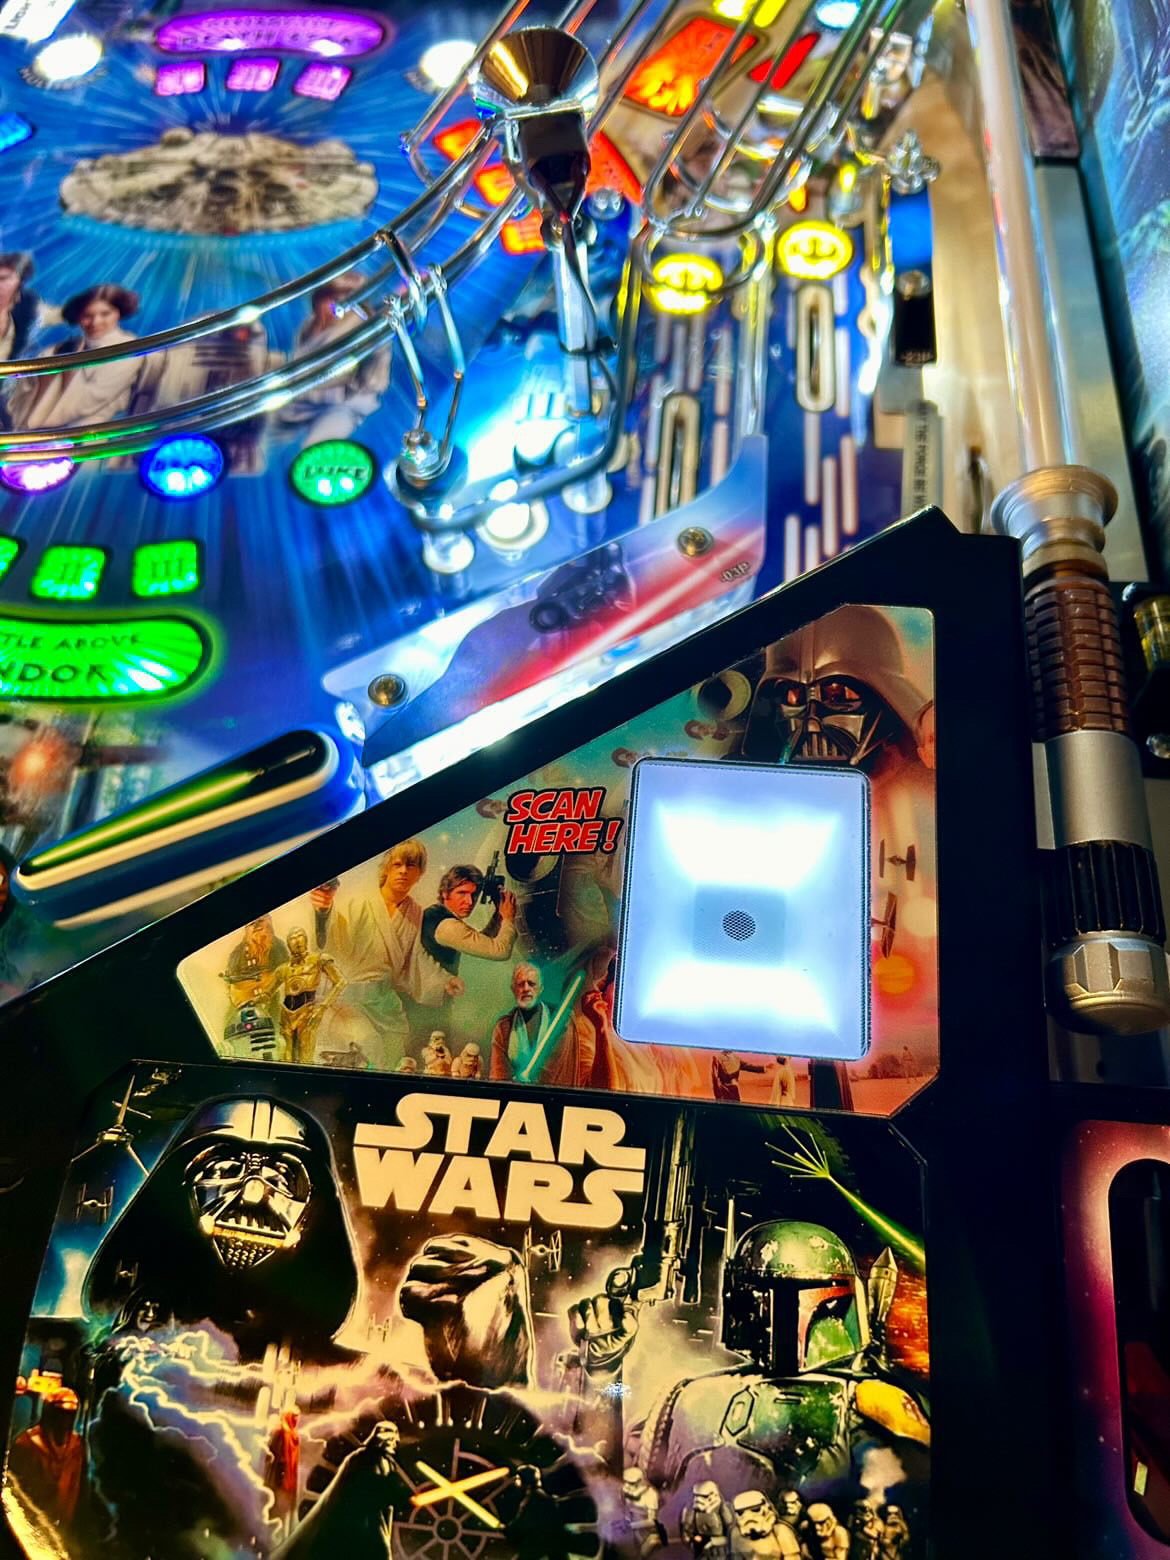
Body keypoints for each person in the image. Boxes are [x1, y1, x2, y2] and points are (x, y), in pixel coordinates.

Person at [311, 840, 453, 1071]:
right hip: (348, 1001)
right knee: (369, 1045)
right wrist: (324, 912)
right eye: (397, 864)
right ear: (386, 868)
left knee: (396, 1056)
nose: (403, 871)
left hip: (385, 1004)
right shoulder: (359, 902)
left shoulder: (415, 912)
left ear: (420, 873)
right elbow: (333, 942)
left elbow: (414, 958)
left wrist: (443, 980)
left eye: (411, 865)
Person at [7, 284, 158, 429]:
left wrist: (33, 421)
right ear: (78, 318)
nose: (95, 322)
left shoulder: (128, 350)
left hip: (91, 435)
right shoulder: (62, 348)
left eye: (105, 314)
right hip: (38, 432)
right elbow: (22, 390)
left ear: (118, 313)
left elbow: (91, 399)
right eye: (87, 316)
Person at [278, 271, 390, 446]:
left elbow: (344, 375)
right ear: (319, 299)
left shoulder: (362, 325)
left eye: (343, 301)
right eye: (331, 299)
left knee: (316, 450)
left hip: (343, 404)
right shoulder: (310, 325)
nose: (336, 308)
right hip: (302, 402)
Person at [260, 926, 344, 1065]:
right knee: (286, 1056)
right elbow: (267, 993)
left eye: (300, 936)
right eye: (292, 938)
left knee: (305, 1056)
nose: (297, 940)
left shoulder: (319, 960)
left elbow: (340, 982)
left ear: (305, 939)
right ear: (288, 944)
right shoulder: (283, 969)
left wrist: (322, 1007)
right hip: (287, 1014)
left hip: (308, 1012)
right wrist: (256, 1001)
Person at [421, 865, 516, 979]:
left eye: (474, 895)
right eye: (462, 893)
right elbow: (501, 952)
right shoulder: (448, 926)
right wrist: (508, 918)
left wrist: (498, 915)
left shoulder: (436, 914)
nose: (470, 901)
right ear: (445, 893)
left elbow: (479, 941)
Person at [7, 1387, 83, 1527]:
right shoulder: (26, 1444)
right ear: (50, 1413)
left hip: (62, 1526)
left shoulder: (77, 1447)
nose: (65, 1420)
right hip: (29, 1525)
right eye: (61, 1414)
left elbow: (75, 1487)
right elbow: (12, 1489)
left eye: (70, 1415)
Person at [490, 963, 554, 1081]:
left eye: (531, 984)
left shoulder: (561, 1021)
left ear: (541, 989)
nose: (526, 989)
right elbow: (498, 1075)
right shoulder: (503, 1028)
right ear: (513, 990)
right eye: (520, 984)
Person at [224, 916, 289, 1010]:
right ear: (246, 930)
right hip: (246, 1003)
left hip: (273, 998)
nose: (256, 926)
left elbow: (286, 971)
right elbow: (232, 983)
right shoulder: (237, 953)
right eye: (252, 924)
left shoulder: (279, 947)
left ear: (269, 923)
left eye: (260, 921)